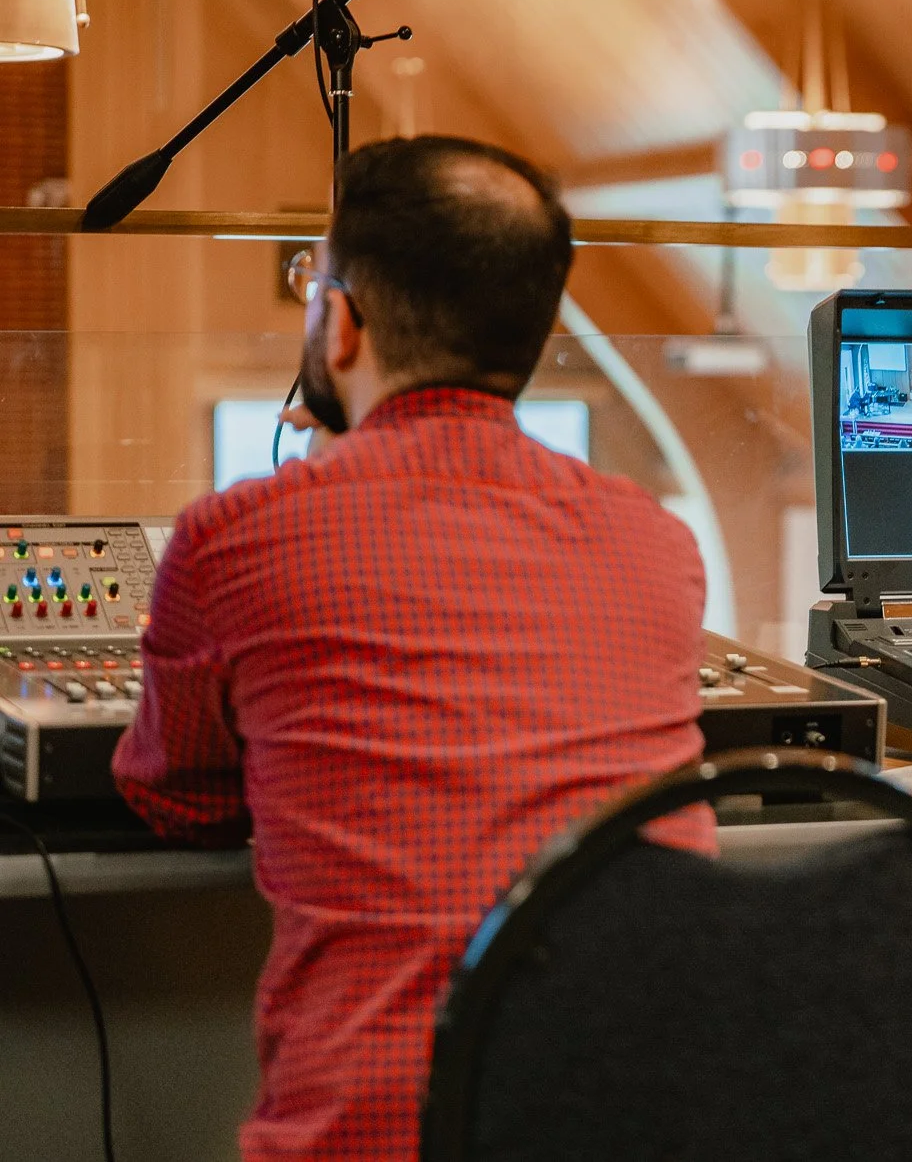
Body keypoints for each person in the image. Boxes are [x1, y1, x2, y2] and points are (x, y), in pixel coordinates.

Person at [111, 136, 714, 1162]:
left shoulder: (235, 536)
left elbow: (180, 799)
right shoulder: (655, 540)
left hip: (379, 1137)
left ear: (340, 324)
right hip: (644, 1125)